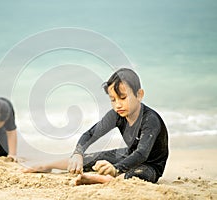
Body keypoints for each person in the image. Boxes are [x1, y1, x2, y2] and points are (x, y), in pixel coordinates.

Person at [23, 68, 169, 185]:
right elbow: (90, 134)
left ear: (139, 95)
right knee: (88, 158)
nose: (118, 104)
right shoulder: (117, 114)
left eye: (123, 98)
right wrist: (77, 153)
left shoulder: (150, 120)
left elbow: (142, 153)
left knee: (136, 175)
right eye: (113, 99)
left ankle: (103, 179)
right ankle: (47, 165)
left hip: (150, 164)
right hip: (128, 153)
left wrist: (116, 168)